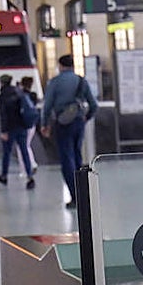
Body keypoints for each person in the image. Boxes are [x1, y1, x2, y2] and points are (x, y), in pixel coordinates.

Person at [41, 54, 98, 209]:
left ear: (60, 66)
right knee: (77, 156)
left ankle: (74, 196)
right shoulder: (81, 81)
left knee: (67, 159)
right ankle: (83, 192)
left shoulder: (55, 82)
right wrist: (86, 117)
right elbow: (94, 105)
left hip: (63, 123)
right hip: (78, 122)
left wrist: (45, 124)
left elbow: (47, 106)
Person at [0, 74, 37, 188]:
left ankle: (4, 176)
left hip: (10, 128)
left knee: (7, 153)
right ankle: (30, 177)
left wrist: (4, 131)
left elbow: (4, 115)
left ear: (2, 83)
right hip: (22, 127)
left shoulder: (3, 96)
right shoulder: (18, 92)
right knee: (24, 151)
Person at [17, 75, 40, 174]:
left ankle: (27, 167)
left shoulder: (21, 96)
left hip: (23, 124)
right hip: (32, 124)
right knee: (27, 145)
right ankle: (31, 163)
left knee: (22, 147)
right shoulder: (33, 95)